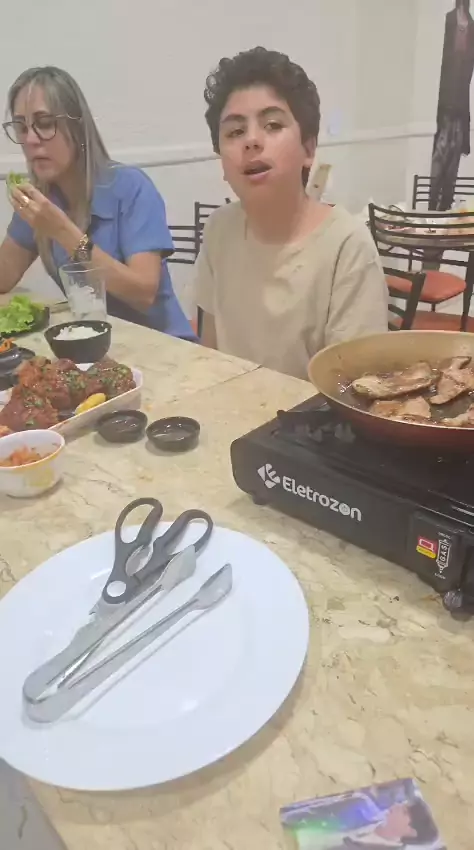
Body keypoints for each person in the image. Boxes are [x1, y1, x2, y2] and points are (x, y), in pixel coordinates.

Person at [195, 47, 388, 381]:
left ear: (308, 149)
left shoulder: (346, 245)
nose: (251, 140)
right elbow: (209, 354)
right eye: (235, 131)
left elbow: (353, 387)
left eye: (272, 125)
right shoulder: (220, 228)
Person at [0, 66, 196, 340]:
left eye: (44, 124)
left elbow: (143, 294)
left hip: (166, 345)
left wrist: (63, 231)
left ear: (78, 127)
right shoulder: (42, 197)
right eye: (21, 127)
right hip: (95, 346)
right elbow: (5, 275)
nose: (30, 140)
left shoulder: (130, 187)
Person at [430, 0, 474, 210]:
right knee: (440, 159)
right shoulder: (449, 20)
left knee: (452, 161)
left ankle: (444, 205)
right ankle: (434, 206)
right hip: (445, 107)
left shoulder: (471, 25)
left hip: (459, 109)